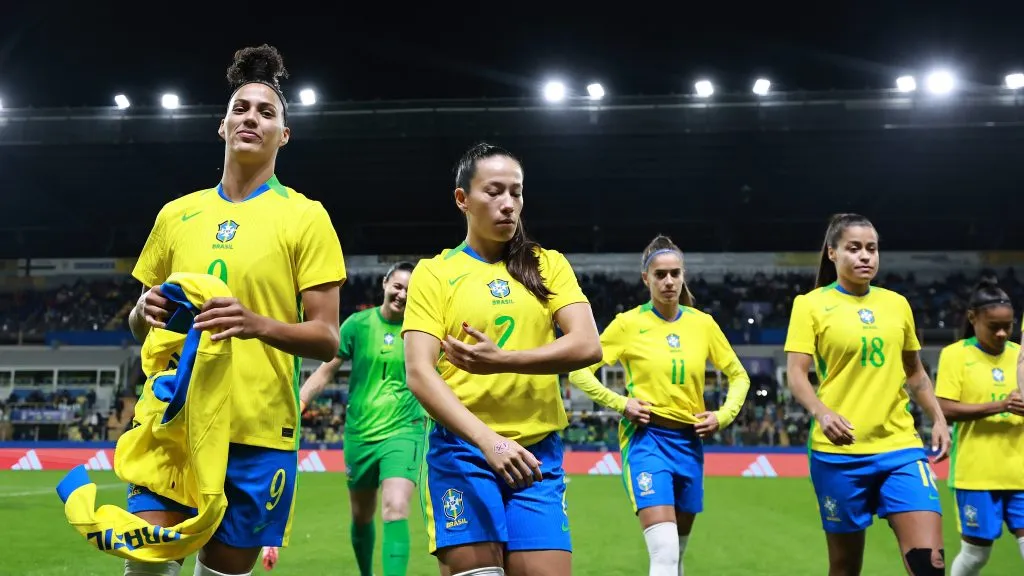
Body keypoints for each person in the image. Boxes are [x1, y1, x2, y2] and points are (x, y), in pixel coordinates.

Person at [127, 44, 345, 576]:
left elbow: (326, 338)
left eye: (267, 112)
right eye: (241, 109)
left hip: (258, 427)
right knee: (147, 566)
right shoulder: (176, 215)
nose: (252, 118)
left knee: (224, 572)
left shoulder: (307, 217)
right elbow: (139, 323)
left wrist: (257, 324)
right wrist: (143, 310)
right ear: (222, 126)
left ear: (283, 136)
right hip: (174, 422)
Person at [401, 142, 602, 576]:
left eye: (517, 192)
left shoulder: (548, 265)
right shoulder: (434, 273)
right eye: (494, 191)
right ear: (462, 200)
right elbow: (418, 371)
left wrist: (505, 359)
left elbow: (588, 344)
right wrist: (488, 442)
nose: (509, 204)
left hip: (536, 457)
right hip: (464, 452)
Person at [567, 234, 751, 576]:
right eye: (661, 274)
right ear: (646, 279)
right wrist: (621, 403)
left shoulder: (703, 324)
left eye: (675, 274)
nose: (669, 281)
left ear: (684, 276)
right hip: (647, 441)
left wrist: (723, 416)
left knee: (676, 556)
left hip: (690, 444)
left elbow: (739, 376)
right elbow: (579, 372)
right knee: (664, 551)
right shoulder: (628, 324)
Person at [784, 213, 951, 576]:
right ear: (832, 253)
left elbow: (915, 372)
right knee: (845, 568)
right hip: (839, 454)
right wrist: (822, 412)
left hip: (900, 448)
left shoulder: (897, 304)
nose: (865, 257)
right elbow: (796, 374)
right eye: (854, 248)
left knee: (929, 565)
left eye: (872, 249)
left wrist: (938, 418)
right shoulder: (810, 305)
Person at [262, 262, 422, 576]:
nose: (402, 295)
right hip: (359, 434)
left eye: (410, 291)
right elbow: (324, 371)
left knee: (395, 507)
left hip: (405, 431)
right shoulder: (357, 325)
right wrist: (299, 404)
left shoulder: (419, 332)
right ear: (385, 284)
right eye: (398, 286)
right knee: (362, 516)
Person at [935, 281, 1024, 575]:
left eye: (1008, 326)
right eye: (994, 326)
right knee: (976, 556)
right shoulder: (955, 355)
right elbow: (945, 409)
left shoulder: (1020, 356)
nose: (1001, 333)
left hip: (1020, 473)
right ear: (973, 318)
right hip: (976, 474)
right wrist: (1001, 405)